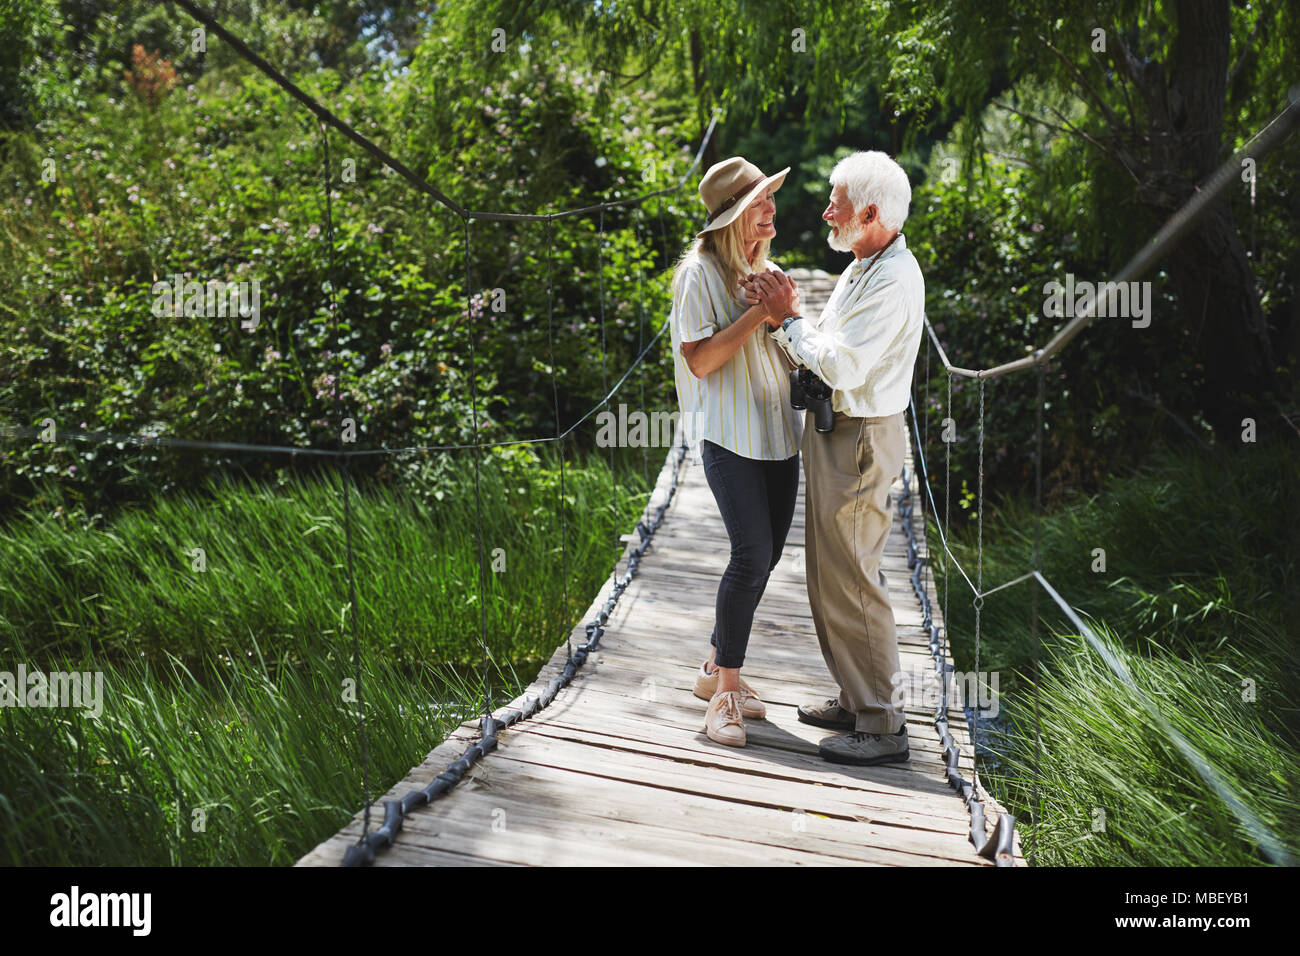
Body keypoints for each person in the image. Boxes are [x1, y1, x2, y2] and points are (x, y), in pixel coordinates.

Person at [745, 150, 925, 766]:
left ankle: (882, 724)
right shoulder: (862, 263)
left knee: (852, 575)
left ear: (870, 213)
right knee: (826, 570)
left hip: (861, 436)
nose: (825, 212)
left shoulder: (895, 279)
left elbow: (843, 364)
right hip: (835, 428)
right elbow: (829, 348)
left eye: (836, 205)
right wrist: (786, 320)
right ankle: (856, 696)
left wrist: (788, 316)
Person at [667, 156, 804, 748]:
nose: (772, 210)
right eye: (760, 204)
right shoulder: (697, 274)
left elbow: (790, 347)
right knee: (750, 554)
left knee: (768, 556)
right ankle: (724, 692)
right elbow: (699, 361)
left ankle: (714, 668)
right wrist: (759, 313)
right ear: (731, 218)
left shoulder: (766, 269)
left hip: (779, 433)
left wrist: (787, 313)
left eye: (771, 199)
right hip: (731, 436)